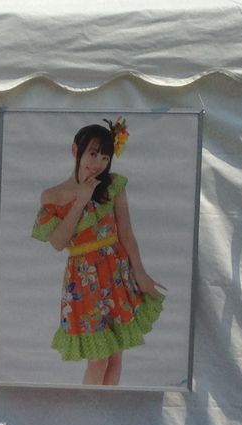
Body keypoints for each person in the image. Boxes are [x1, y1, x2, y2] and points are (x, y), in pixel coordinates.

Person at [31, 118, 165, 385]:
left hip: (116, 273)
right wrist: (81, 200)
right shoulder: (53, 195)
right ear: (75, 150)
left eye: (105, 157)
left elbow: (126, 233)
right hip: (84, 279)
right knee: (98, 358)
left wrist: (140, 273)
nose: (98, 163)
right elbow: (58, 243)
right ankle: (86, 409)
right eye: (93, 154)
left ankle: (108, 408)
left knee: (115, 356)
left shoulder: (113, 186)